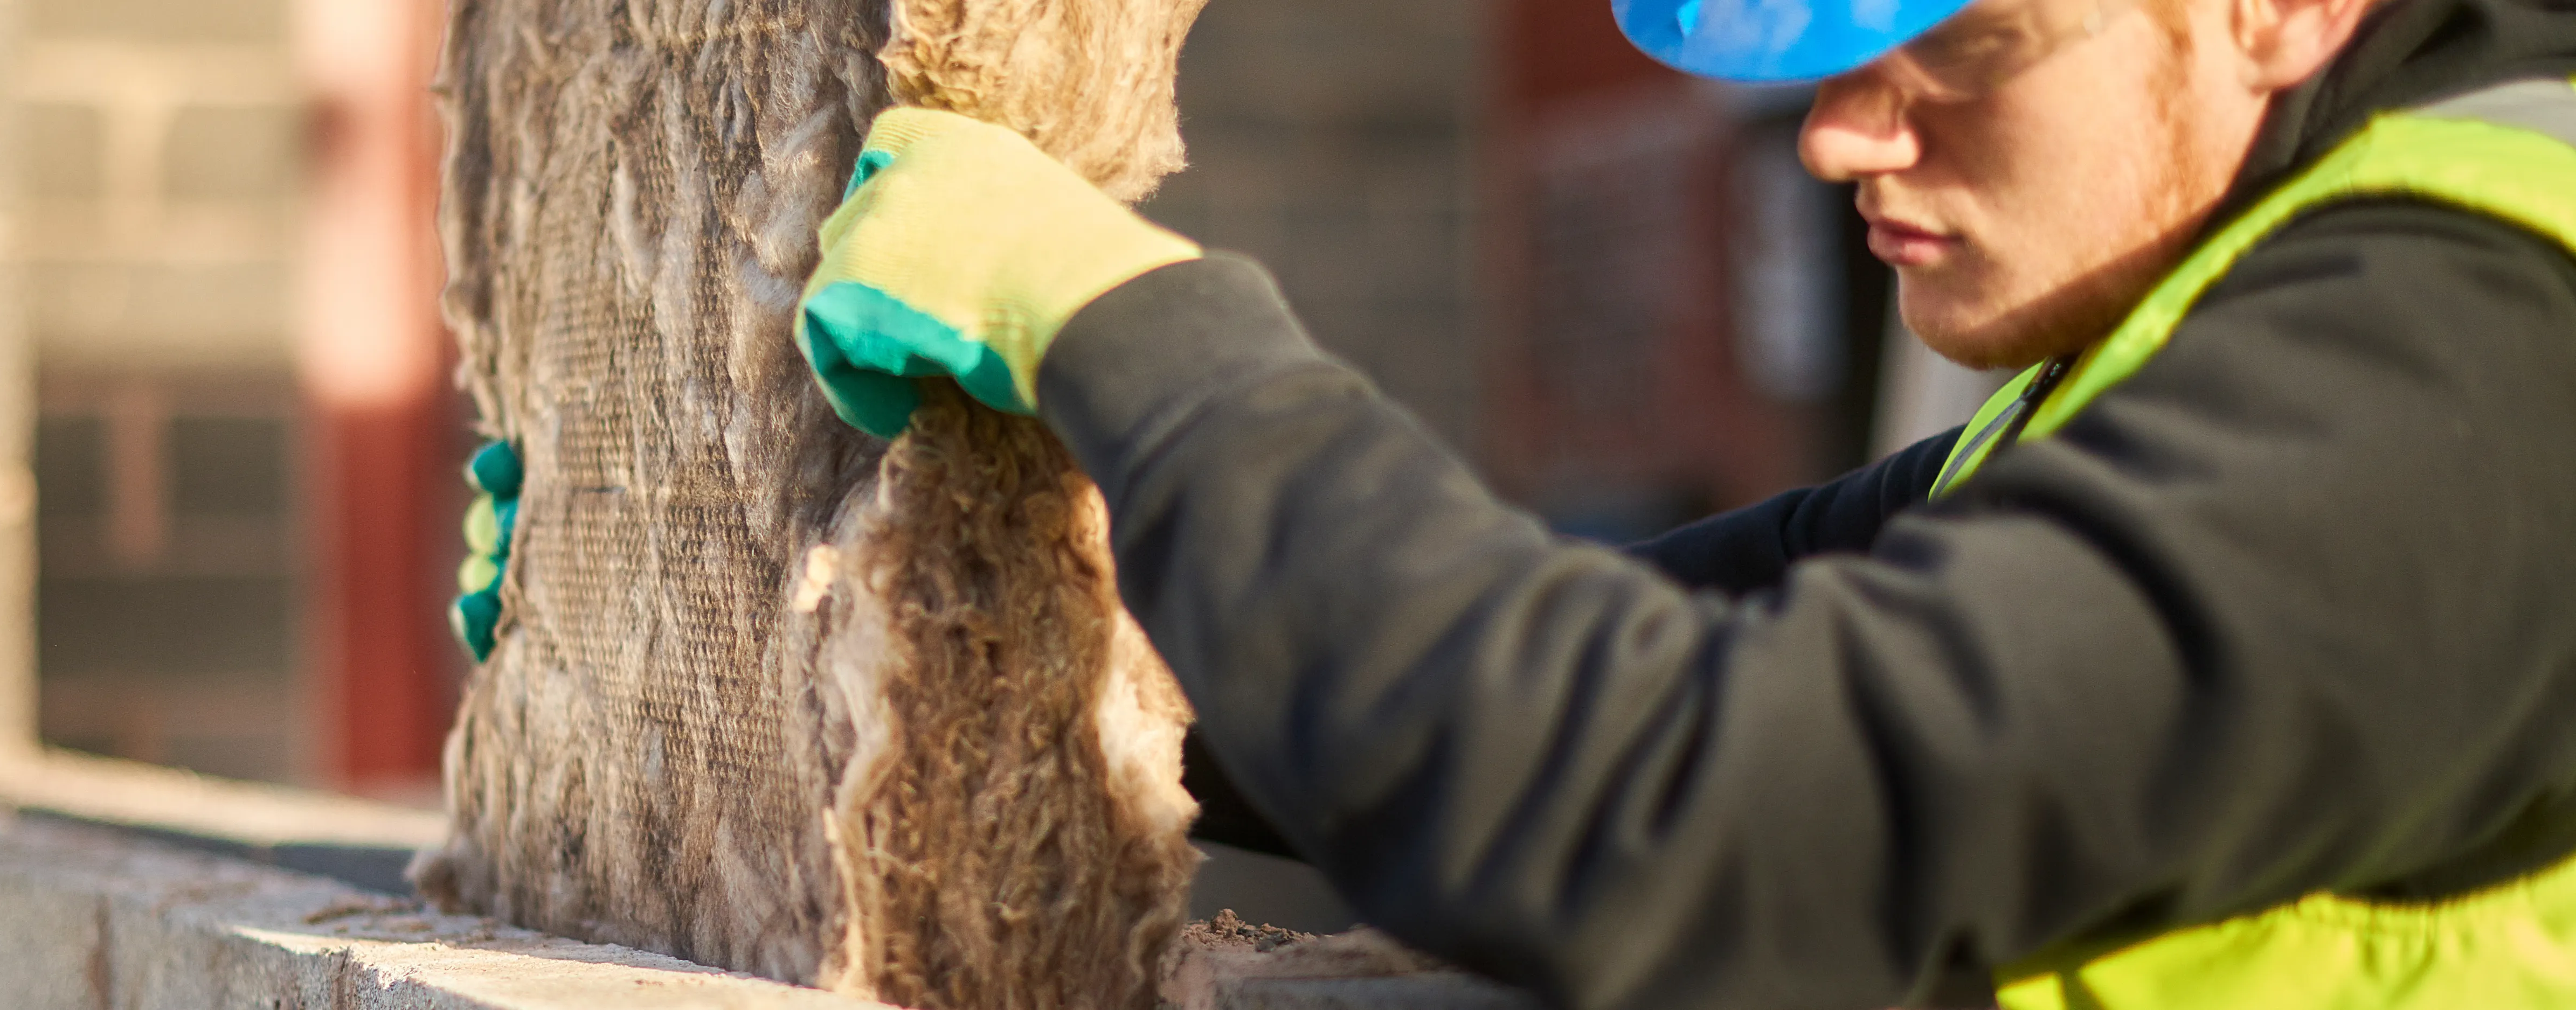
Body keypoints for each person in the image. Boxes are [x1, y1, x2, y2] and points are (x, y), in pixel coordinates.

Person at [781, 0, 2576, 1004]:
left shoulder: (2496, 367)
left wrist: (1131, 327)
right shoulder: (2205, 338)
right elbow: (1610, 651)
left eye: (1970, 45)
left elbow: (1664, 801)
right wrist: (852, 626)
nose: (1840, 135)